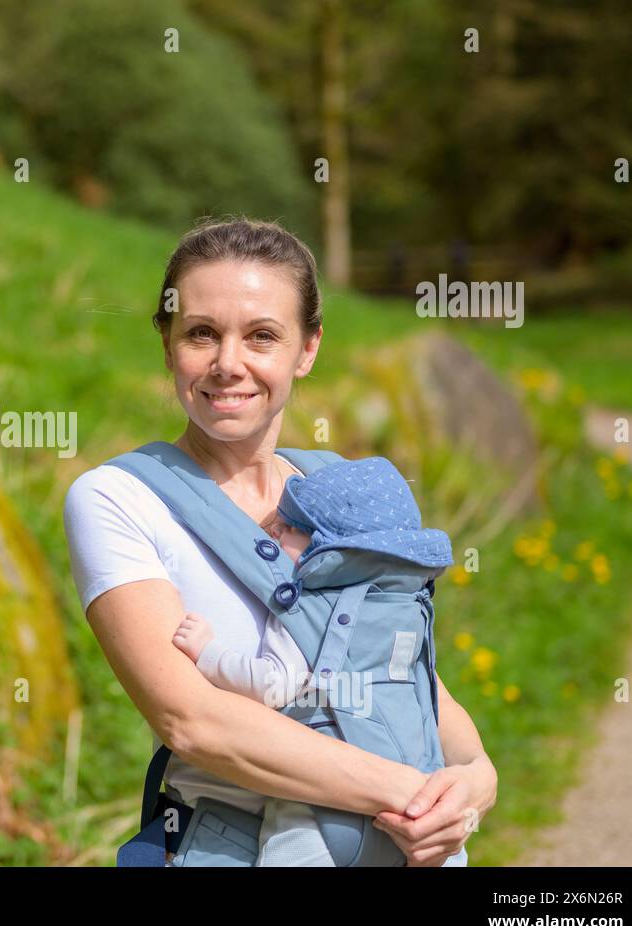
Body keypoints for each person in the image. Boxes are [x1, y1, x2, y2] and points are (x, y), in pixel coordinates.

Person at [62, 215, 497, 866]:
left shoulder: (345, 487)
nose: (227, 363)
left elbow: (404, 675)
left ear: (307, 349)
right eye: (201, 333)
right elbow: (195, 722)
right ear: (167, 343)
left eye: (261, 336)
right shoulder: (119, 499)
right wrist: (411, 796)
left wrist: (474, 780)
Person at [171, 454, 458, 865]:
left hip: (321, 809)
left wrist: (207, 652)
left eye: (288, 528)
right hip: (420, 792)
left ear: (328, 549)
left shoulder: (308, 610)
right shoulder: (405, 606)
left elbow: (273, 684)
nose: (273, 529)